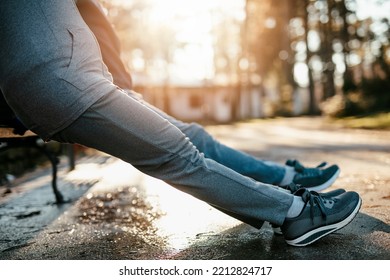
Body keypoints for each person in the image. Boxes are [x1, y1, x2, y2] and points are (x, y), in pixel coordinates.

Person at [0, 0, 361, 247]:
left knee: (188, 140)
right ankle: (296, 214)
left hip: (66, 84)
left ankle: (287, 188)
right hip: (72, 83)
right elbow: (94, 19)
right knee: (179, 156)